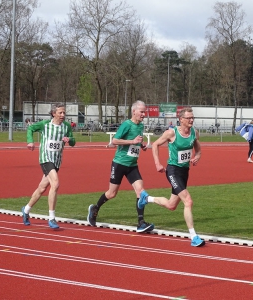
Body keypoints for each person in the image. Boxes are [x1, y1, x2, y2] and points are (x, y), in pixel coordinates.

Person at [137, 107, 205, 247]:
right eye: (189, 118)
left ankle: (146, 198)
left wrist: (196, 157)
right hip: (173, 171)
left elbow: (198, 150)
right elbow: (155, 144)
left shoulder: (194, 133)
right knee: (188, 201)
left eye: (193, 118)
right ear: (181, 120)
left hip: (184, 172)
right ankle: (194, 237)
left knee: (171, 205)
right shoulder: (171, 133)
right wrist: (157, 163)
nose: (192, 120)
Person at [87, 100, 154, 233]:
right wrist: (132, 141)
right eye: (141, 112)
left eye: (144, 112)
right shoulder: (126, 125)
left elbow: (136, 141)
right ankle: (95, 208)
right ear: (134, 111)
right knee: (112, 193)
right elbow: (114, 141)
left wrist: (141, 145)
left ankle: (141, 222)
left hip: (132, 165)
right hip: (119, 164)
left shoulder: (140, 126)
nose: (143, 114)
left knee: (141, 191)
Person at [21, 103, 76, 229]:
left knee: (41, 188)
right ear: (53, 113)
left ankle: (26, 209)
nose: (63, 115)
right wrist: (30, 141)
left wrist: (69, 140)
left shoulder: (66, 126)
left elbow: (73, 141)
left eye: (64, 113)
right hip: (45, 159)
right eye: (60, 112)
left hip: (57, 161)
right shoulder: (45, 124)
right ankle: (51, 218)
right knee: (55, 184)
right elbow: (30, 129)